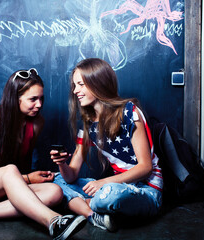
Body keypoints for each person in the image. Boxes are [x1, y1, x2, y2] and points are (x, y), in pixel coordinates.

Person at [0, 68, 86, 240]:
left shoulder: (37, 122)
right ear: (15, 98)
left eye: (41, 98)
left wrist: (34, 177)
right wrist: (28, 178)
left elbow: (22, 164)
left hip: (8, 188)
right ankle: (54, 222)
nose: (39, 105)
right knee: (10, 169)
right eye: (33, 99)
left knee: (55, 192)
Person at [50, 58, 163, 232]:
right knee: (56, 181)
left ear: (97, 83)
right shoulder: (88, 124)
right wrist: (61, 163)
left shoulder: (129, 112)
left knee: (109, 195)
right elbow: (71, 176)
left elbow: (145, 167)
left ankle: (83, 205)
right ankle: (93, 215)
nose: (75, 91)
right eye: (74, 85)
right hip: (115, 185)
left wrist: (103, 183)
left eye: (80, 84)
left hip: (145, 191)